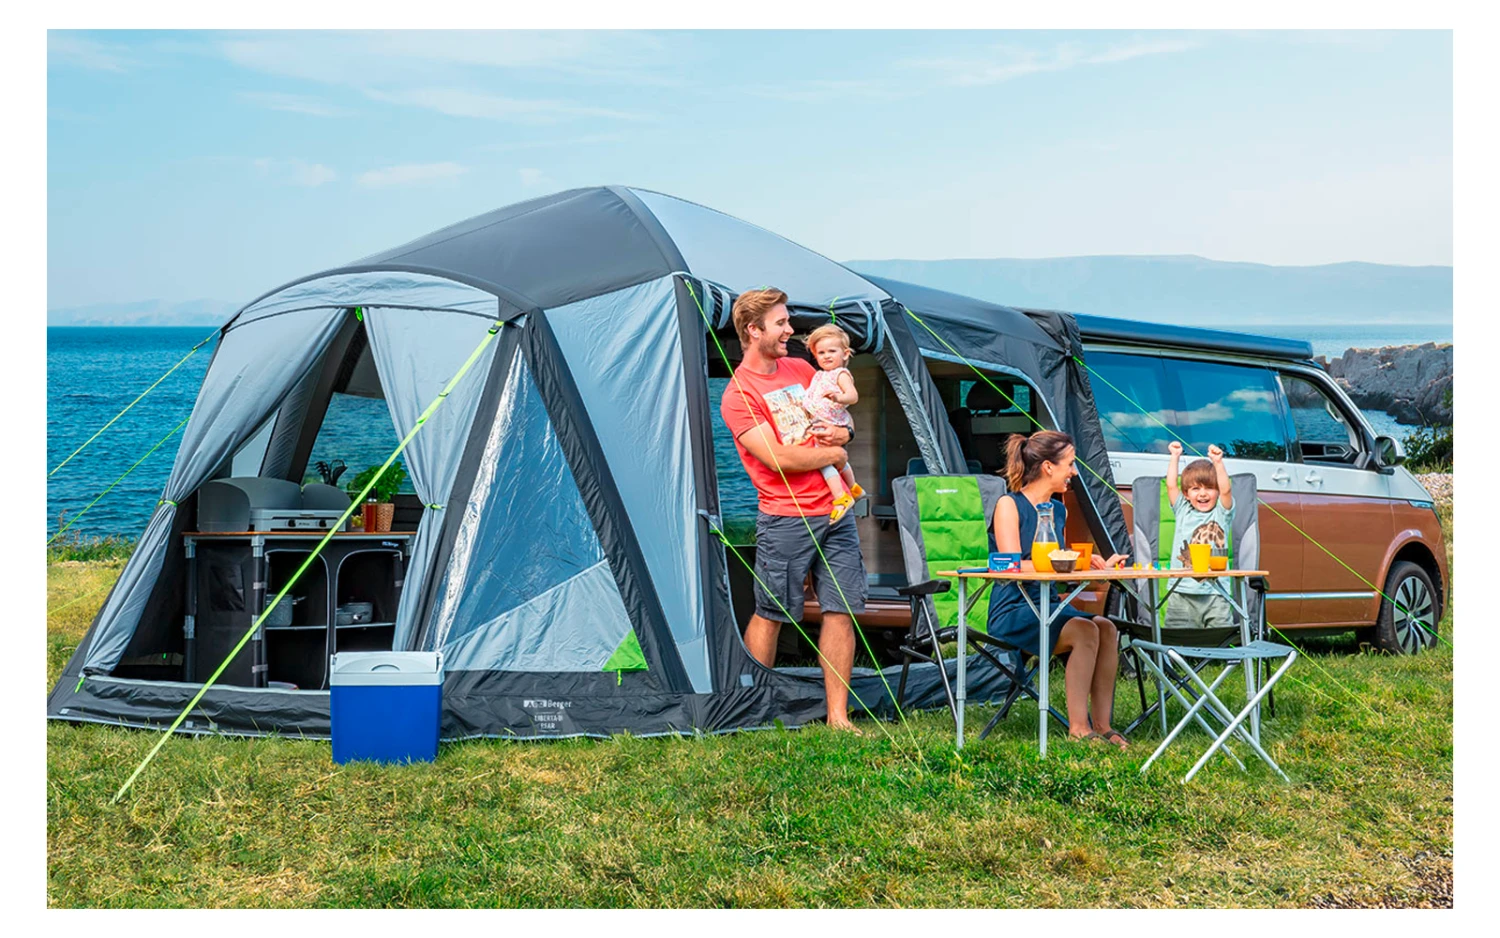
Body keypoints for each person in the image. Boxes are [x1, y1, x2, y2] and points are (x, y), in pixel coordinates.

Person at [719, 288, 868, 733]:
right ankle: (752, 713)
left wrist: (845, 438)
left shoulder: (802, 369)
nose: (790, 330)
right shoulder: (738, 395)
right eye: (781, 323)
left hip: (837, 511)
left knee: (841, 609)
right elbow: (778, 458)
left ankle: (838, 716)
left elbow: (840, 419)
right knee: (772, 613)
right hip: (787, 517)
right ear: (753, 330)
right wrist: (836, 456)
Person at [988, 430, 1130, 748]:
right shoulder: (1009, 505)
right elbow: (1008, 567)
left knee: (1107, 628)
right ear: (1048, 467)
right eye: (1070, 464)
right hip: (1013, 609)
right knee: (1084, 629)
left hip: (1049, 606)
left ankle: (1103, 724)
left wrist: (1094, 566)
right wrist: (1068, 563)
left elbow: (1057, 566)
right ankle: (1078, 728)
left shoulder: (1058, 510)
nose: (1074, 472)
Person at [1164, 441, 1235, 628]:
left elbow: (1226, 490)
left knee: (1219, 637)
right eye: (1196, 489)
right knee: (1176, 639)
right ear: (1186, 494)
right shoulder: (1183, 510)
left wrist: (1218, 462)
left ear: (1217, 491)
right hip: (1181, 592)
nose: (1203, 494)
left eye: (1209, 488)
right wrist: (1174, 457)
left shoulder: (1222, 513)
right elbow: (1171, 486)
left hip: (1216, 593)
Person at [802, 323, 866, 524]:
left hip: (831, 421)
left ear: (845, 354)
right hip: (819, 421)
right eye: (821, 353)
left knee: (823, 461)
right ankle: (854, 487)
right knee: (838, 460)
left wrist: (839, 397)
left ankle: (841, 498)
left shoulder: (841, 374)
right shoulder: (819, 375)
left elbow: (853, 396)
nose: (826, 356)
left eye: (832, 351)